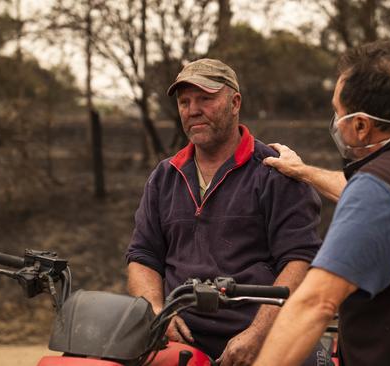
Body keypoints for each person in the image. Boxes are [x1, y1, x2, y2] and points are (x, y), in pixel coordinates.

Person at [255, 40, 390, 365]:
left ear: (360, 125)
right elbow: (380, 202)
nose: (335, 122)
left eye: (337, 112)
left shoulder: (378, 189)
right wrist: (303, 172)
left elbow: (315, 304)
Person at [125, 58, 322, 365]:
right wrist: (155, 310)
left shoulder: (275, 172)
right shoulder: (165, 176)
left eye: (205, 98)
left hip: (262, 332)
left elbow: (300, 261)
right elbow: (142, 257)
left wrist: (258, 334)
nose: (193, 110)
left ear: (235, 102)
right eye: (185, 101)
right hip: (182, 335)